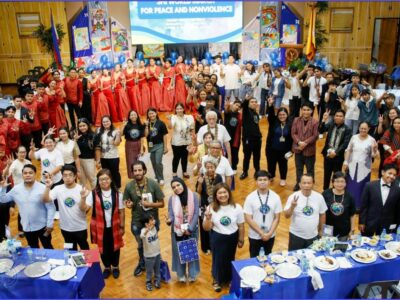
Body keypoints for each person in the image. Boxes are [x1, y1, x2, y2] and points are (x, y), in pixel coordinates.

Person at [80, 169, 125, 279]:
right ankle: (107, 267)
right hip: (99, 227)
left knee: (115, 247)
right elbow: (85, 209)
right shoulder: (93, 193)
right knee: (103, 248)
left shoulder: (118, 193)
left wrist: (122, 226)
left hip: (114, 226)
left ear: (110, 180)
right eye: (101, 179)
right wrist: (83, 198)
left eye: (106, 179)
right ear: (98, 181)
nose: (104, 181)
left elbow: (121, 211)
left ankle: (115, 266)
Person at [123, 161, 165, 277]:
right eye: (135, 171)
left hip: (152, 221)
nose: (137, 173)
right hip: (136, 221)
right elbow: (126, 201)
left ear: (144, 170)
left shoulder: (153, 184)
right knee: (141, 244)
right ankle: (142, 264)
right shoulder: (129, 186)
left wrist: (150, 204)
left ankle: (156, 262)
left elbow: (162, 204)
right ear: (132, 172)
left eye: (139, 170)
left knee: (152, 242)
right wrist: (128, 204)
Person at [0, 164, 55, 248]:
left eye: (30, 173)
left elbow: (51, 207)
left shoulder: (43, 188)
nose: (28, 175)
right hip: (26, 227)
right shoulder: (16, 189)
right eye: (25, 173)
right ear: (22, 175)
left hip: (43, 227)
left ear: (35, 174)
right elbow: (3, 199)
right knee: (33, 249)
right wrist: (3, 189)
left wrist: (50, 224)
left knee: (48, 247)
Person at [203, 182, 244, 292]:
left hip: (232, 237)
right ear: (216, 195)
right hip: (218, 237)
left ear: (229, 193)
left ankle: (229, 279)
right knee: (218, 259)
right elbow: (206, 228)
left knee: (230, 258)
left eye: (224, 192)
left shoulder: (237, 207)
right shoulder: (210, 208)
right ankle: (216, 279)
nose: (222, 195)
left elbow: (241, 225)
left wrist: (241, 239)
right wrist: (207, 218)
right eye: (219, 193)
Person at [44, 165, 89, 250]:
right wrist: (47, 187)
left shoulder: (82, 190)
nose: (67, 177)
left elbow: (84, 209)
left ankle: (90, 263)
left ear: (75, 176)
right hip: (65, 228)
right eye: (65, 175)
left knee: (85, 249)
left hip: (80, 227)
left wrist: (83, 198)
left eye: (70, 175)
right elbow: (46, 199)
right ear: (62, 176)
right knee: (70, 251)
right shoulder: (58, 189)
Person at [166, 177, 200, 283]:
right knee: (178, 252)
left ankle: (192, 274)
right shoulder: (172, 199)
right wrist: (169, 220)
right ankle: (181, 274)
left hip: (192, 229)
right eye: (173, 187)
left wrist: (190, 228)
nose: (176, 188)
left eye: (178, 185)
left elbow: (196, 213)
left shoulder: (194, 196)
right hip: (177, 230)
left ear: (183, 184)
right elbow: (171, 214)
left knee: (191, 252)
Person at [284, 174, 327, 251]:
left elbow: (322, 214)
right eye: (304, 183)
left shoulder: (319, 197)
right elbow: (286, 215)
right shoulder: (293, 196)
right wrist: (292, 206)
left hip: (313, 236)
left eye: (309, 183)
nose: (306, 185)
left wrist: (321, 231)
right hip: (296, 236)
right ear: (299, 184)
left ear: (313, 184)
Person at [243, 170, 282, 257]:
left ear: (269, 181)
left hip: (270, 235)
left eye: (265, 179)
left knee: (268, 257)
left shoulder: (276, 197)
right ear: (256, 182)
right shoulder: (250, 198)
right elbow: (248, 218)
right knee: (254, 258)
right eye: (260, 180)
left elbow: (277, 218)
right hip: (254, 235)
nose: (262, 182)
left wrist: (269, 233)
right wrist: (261, 233)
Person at [343, 122, 379, 210]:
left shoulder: (372, 140)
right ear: (359, 128)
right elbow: (348, 150)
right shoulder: (354, 137)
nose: (363, 130)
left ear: (368, 129)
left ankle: (359, 207)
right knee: (350, 187)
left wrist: (375, 149)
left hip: (364, 169)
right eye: (361, 128)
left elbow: (375, 156)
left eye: (365, 128)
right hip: (352, 166)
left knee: (361, 188)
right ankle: (348, 205)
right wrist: (345, 162)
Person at [359, 164, 400, 236]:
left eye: (394, 175)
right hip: (370, 223)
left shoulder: (397, 190)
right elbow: (364, 206)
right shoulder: (369, 186)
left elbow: (397, 210)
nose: (392, 176)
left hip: (387, 225)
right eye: (390, 173)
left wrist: (395, 225)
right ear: (383, 172)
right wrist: (362, 222)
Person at [319, 109, 352, 190]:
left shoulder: (348, 129)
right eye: (336, 116)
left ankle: (335, 191)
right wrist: (323, 120)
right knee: (326, 174)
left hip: (338, 157)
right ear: (334, 117)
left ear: (344, 118)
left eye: (340, 116)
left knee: (336, 176)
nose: (338, 117)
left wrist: (336, 152)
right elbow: (321, 130)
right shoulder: (330, 124)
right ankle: (325, 191)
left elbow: (345, 143)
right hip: (327, 155)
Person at [196, 158, 223, 254]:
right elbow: (198, 191)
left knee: (215, 225)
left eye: (211, 167)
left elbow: (221, 191)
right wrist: (199, 183)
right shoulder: (202, 176)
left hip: (215, 205)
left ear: (215, 167)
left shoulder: (219, 177)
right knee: (204, 227)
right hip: (204, 205)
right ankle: (205, 247)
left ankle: (214, 245)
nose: (209, 169)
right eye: (207, 167)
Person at [291, 103, 319, 190]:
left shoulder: (315, 122)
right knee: (299, 169)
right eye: (304, 109)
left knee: (310, 170)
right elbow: (293, 133)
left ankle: (310, 185)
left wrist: (305, 143)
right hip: (298, 149)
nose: (306, 112)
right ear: (301, 110)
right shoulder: (296, 120)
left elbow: (315, 136)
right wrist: (299, 142)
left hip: (309, 150)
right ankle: (299, 183)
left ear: (311, 111)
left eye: (308, 110)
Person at [265, 98, 293, 186]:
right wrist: (270, 105)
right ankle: (271, 176)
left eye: (284, 114)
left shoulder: (290, 124)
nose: (282, 116)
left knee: (283, 164)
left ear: (287, 115)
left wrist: (291, 150)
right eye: (280, 114)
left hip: (284, 149)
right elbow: (270, 114)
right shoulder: (273, 121)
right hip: (271, 148)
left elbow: (292, 138)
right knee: (271, 163)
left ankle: (283, 178)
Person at [167, 103, 194, 178]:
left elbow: (191, 128)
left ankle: (184, 172)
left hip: (187, 141)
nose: (179, 110)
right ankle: (174, 173)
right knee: (176, 157)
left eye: (180, 108)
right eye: (177, 108)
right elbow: (170, 127)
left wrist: (193, 139)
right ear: (175, 110)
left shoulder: (189, 117)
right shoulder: (173, 117)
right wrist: (169, 120)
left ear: (183, 109)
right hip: (176, 142)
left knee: (185, 157)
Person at [94, 115, 122, 189]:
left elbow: (117, 144)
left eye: (107, 121)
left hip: (113, 156)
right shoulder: (99, 130)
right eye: (104, 122)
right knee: (106, 174)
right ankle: (108, 187)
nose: (105, 123)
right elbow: (97, 145)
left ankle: (117, 188)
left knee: (115, 173)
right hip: (103, 157)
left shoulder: (115, 131)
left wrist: (118, 134)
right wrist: (98, 159)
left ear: (110, 121)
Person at [239, 97, 262, 180]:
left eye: (255, 102)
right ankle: (245, 172)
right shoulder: (246, 111)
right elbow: (244, 106)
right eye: (252, 102)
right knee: (247, 156)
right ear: (248, 104)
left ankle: (257, 171)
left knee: (257, 156)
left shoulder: (255, 113)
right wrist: (245, 100)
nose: (254, 103)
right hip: (248, 139)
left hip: (257, 139)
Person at [145, 108, 168, 185]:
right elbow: (145, 135)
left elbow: (165, 135)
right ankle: (156, 176)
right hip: (151, 146)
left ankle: (161, 178)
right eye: (149, 114)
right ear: (147, 115)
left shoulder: (161, 123)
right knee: (153, 162)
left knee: (158, 162)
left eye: (152, 113)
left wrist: (165, 147)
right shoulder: (147, 124)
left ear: (156, 113)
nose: (151, 115)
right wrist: (146, 126)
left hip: (160, 145)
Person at [122, 110, 147, 179]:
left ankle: (141, 177)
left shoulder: (140, 125)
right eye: (131, 115)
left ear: (137, 116)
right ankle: (133, 178)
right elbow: (121, 134)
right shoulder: (127, 125)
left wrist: (142, 149)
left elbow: (142, 137)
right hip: (129, 145)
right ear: (129, 117)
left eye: (135, 114)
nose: (133, 116)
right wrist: (123, 126)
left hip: (139, 144)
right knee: (131, 162)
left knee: (140, 162)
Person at [140, 214, 161, 291]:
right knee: (149, 271)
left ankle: (157, 280)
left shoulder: (154, 228)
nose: (153, 221)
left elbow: (157, 222)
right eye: (151, 220)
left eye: (153, 219)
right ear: (146, 224)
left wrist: (153, 223)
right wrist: (147, 230)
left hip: (157, 253)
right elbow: (142, 236)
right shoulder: (143, 231)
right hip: (149, 256)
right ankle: (148, 282)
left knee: (157, 269)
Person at [75, 118, 97, 190]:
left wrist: (98, 161)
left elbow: (97, 149)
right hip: (78, 161)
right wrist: (75, 140)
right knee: (82, 181)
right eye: (80, 126)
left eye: (84, 125)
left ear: (88, 125)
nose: (82, 128)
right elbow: (73, 149)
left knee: (92, 179)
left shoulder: (93, 135)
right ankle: (85, 197)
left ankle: (96, 195)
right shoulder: (77, 136)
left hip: (89, 160)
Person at [223, 100, 242, 173]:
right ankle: (226, 167)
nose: (237, 107)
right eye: (236, 105)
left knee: (235, 153)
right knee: (227, 152)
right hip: (227, 137)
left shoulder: (239, 115)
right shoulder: (229, 113)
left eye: (239, 106)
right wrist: (227, 106)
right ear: (233, 104)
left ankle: (234, 167)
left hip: (236, 138)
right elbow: (226, 111)